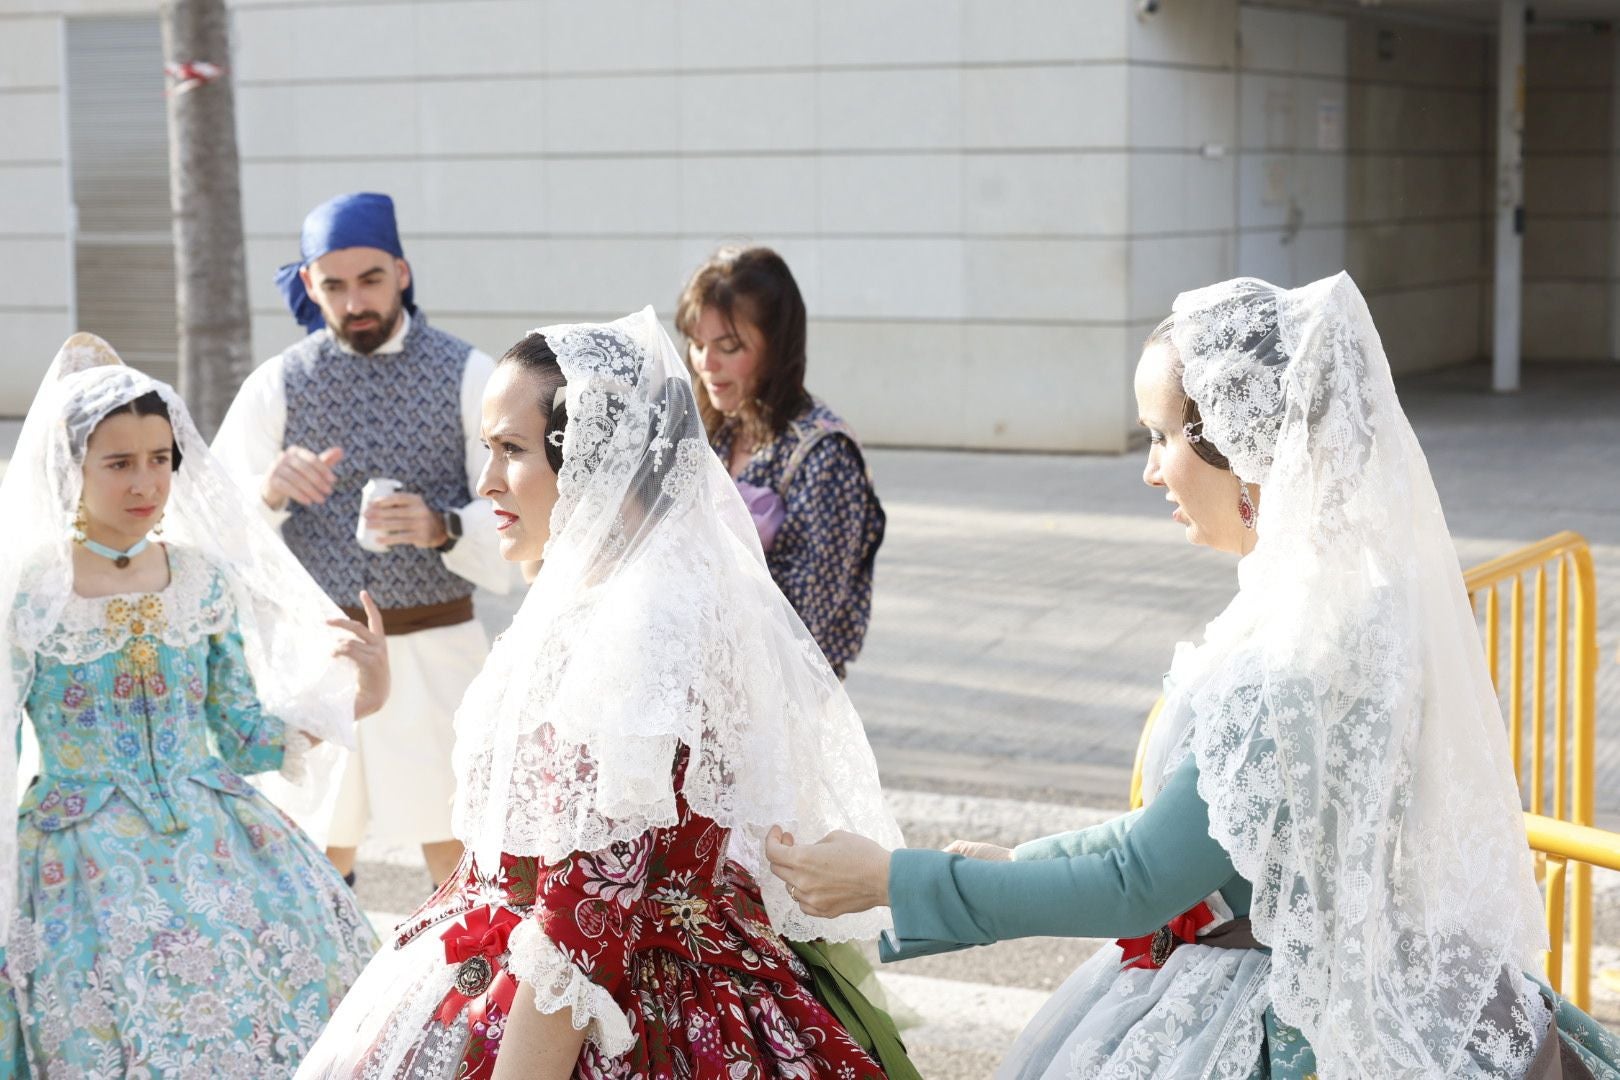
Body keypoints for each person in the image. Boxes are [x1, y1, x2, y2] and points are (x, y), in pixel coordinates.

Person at [766, 273, 1620, 1079]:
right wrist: (1008, 861)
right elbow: (1183, 833)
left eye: (1163, 436)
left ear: (1244, 448)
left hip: (1271, 1001)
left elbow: (1140, 878)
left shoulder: (1294, 648)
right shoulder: (1335, 598)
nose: (1150, 469)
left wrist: (888, 881)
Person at [298, 308, 907, 1080]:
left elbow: (579, 929)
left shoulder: (640, 629)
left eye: (511, 451)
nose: (484, 482)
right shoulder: (606, 595)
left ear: (594, 462)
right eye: (487, 450)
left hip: (610, 1011)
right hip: (532, 965)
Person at [0, 334, 389, 1076]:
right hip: (78, 858)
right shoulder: (30, 593)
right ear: (70, 468)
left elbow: (241, 735)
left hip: (217, 834)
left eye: (160, 459)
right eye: (119, 463)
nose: (146, 482)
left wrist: (361, 697)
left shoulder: (203, 579)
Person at [214, 191, 515, 886]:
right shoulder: (278, 385)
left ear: (402, 274)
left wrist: (444, 527)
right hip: (321, 657)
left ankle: (466, 994)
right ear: (311, 288)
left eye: (371, 280)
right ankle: (331, 995)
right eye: (335, 286)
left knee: (461, 856)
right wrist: (269, 490)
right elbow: (214, 527)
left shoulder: (471, 375)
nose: (355, 302)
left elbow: (518, 511)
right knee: (316, 858)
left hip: (439, 652)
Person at [676, 246, 885, 680]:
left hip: (778, 704)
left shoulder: (824, 455)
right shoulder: (713, 429)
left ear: (777, 346)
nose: (707, 364)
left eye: (729, 346)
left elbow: (802, 620)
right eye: (697, 344)